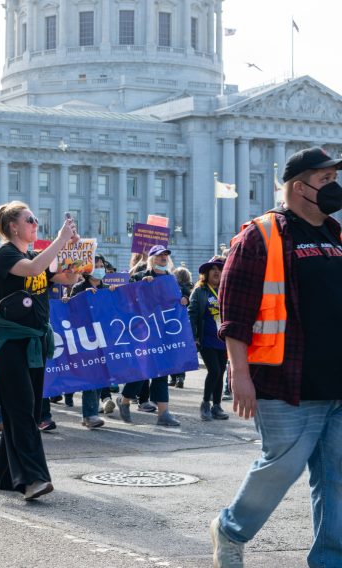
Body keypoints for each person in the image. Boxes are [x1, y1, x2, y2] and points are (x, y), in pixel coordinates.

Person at [211, 147, 342, 567]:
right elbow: (234, 312)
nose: (334, 187)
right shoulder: (262, 234)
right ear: (299, 187)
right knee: (280, 468)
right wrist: (240, 373)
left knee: (337, 481)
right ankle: (230, 530)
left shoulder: (336, 235)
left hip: (337, 381)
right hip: (285, 381)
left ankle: (329, 559)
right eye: (325, 180)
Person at [0, 201, 81, 501]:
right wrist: (60, 240)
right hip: (12, 344)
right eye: (31, 219)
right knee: (24, 410)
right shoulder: (5, 254)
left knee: (22, 410)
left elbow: (61, 278)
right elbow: (33, 269)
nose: (35, 224)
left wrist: (74, 264)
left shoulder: (28, 254)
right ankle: (33, 478)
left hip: (35, 343)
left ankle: (4, 476)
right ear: (13, 226)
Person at [117, 245, 182, 426]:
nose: (163, 258)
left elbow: (178, 299)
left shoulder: (170, 279)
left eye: (165, 255)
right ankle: (124, 401)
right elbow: (126, 301)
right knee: (144, 372)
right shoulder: (140, 277)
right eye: (159, 255)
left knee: (162, 372)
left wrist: (183, 298)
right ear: (151, 259)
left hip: (164, 332)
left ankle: (163, 414)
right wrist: (140, 287)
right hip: (144, 334)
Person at [68, 254, 119, 429]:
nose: (100, 268)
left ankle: (92, 412)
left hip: (104, 338)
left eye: (102, 265)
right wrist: (83, 297)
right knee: (92, 375)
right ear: (87, 270)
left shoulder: (107, 289)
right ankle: (89, 415)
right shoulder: (79, 288)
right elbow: (70, 310)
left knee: (101, 376)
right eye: (96, 265)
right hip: (86, 338)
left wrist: (114, 297)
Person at [187, 258, 229, 422]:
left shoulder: (226, 289)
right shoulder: (200, 291)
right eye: (213, 269)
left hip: (224, 340)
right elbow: (192, 314)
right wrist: (194, 337)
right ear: (206, 273)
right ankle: (205, 404)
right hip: (206, 339)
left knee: (221, 372)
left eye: (220, 268)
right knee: (215, 371)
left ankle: (216, 406)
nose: (217, 271)